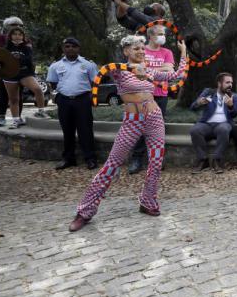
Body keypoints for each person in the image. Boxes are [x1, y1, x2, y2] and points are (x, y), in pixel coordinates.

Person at [68, 36, 187, 232]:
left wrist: (183, 52)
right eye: (136, 48)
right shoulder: (119, 70)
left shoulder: (148, 70)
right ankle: (84, 211)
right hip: (132, 121)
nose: (141, 51)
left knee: (156, 163)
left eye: (142, 48)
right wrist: (133, 69)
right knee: (112, 164)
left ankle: (147, 201)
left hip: (155, 117)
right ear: (126, 52)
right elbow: (105, 70)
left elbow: (178, 75)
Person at [127, 24, 174, 174]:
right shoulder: (141, 50)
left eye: (163, 34)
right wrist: (158, 70)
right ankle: (136, 159)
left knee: (157, 128)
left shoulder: (167, 52)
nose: (163, 37)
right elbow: (134, 69)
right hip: (142, 93)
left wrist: (147, 70)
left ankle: (156, 160)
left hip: (161, 94)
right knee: (139, 127)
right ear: (151, 36)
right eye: (160, 33)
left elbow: (170, 70)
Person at [47, 38, 98, 170]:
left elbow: (95, 82)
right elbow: (52, 83)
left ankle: (90, 158)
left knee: (85, 130)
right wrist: (58, 96)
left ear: (78, 48)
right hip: (64, 100)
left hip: (82, 100)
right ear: (63, 49)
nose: (70, 49)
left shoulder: (88, 65)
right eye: (67, 46)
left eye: (73, 46)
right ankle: (68, 158)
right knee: (67, 130)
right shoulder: (55, 66)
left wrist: (90, 97)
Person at [189, 72, 237, 174]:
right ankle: (203, 160)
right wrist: (199, 103)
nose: (230, 85)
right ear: (219, 83)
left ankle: (217, 160)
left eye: (231, 82)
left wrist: (230, 106)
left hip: (223, 124)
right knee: (195, 130)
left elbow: (234, 115)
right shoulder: (208, 92)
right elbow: (192, 107)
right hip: (206, 124)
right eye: (227, 82)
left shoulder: (235, 96)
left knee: (224, 129)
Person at [4, 27, 49, 128]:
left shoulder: (26, 47)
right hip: (10, 75)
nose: (17, 36)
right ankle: (16, 120)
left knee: (37, 89)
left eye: (20, 34)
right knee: (14, 99)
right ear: (10, 36)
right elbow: (3, 61)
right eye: (15, 34)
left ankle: (41, 111)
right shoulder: (6, 47)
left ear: (23, 36)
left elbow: (29, 61)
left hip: (25, 74)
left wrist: (19, 58)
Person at [0, 16, 27, 127]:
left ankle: (18, 117)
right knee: (3, 93)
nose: (17, 27)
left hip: (19, 71)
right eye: (14, 25)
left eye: (19, 25)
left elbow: (28, 54)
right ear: (7, 27)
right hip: (4, 70)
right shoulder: (1, 38)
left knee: (18, 95)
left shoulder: (25, 39)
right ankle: (2, 117)